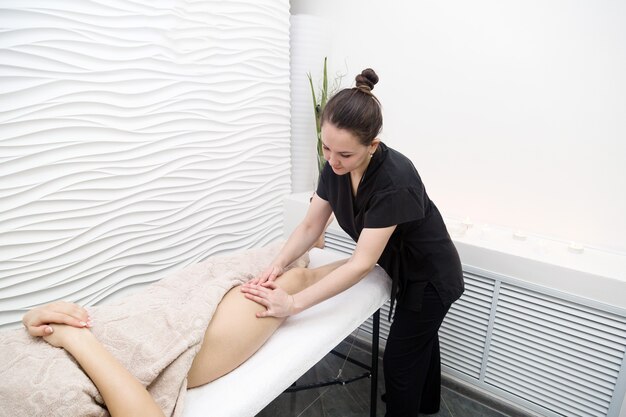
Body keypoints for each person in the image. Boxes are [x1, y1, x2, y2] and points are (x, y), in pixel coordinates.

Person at [241, 68, 465, 416]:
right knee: (421, 342)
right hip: (405, 269)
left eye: (344, 154)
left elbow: (361, 263)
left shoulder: (394, 180)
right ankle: (426, 405)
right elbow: (310, 225)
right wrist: (278, 263)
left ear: (372, 145)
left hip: (432, 275)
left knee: (400, 361)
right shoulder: (335, 166)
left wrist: (294, 304)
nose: (332, 160)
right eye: (326, 147)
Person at [17, 257, 346, 417]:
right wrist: (75, 339)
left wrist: (34, 318)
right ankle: (368, 260)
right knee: (295, 277)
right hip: (156, 349)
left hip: (127, 316)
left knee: (235, 267)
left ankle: (313, 247)